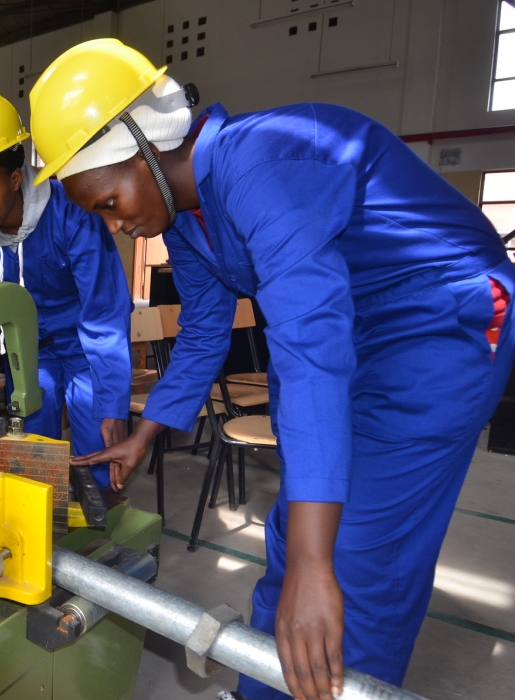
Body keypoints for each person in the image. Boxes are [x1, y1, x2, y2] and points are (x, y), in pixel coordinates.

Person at [30, 39, 514, 700]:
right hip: (350, 324)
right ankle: (263, 688)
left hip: (438, 319)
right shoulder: (188, 221)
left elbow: (310, 347)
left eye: (110, 203)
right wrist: (146, 434)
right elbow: (204, 330)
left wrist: (318, 565)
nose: (118, 226)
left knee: (355, 557)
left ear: (147, 147)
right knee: (295, 534)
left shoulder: (261, 162)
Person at [0, 88, 132, 487]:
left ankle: (101, 534)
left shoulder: (72, 215)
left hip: (85, 349)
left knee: (97, 445)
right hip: (28, 353)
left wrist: (113, 401)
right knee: (34, 450)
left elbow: (104, 312)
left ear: (13, 179)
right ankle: (47, 532)